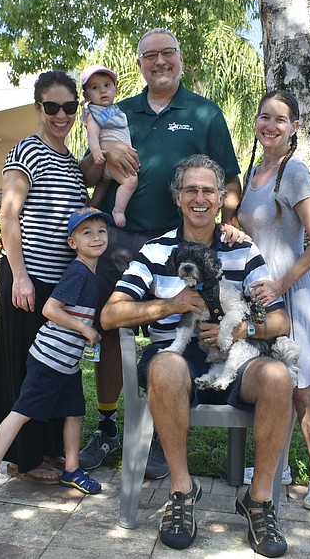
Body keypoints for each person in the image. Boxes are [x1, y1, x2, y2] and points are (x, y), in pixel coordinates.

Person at [101, 155, 293, 557]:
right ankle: (182, 493)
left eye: (208, 190)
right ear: (177, 196)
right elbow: (111, 313)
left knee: (277, 377)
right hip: (176, 355)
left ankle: (258, 502)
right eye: (191, 189)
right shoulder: (155, 251)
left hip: (236, 356)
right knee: (167, 367)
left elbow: (280, 322)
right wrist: (169, 305)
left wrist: (241, 330)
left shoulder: (242, 250)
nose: (199, 198)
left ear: (222, 198)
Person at [78, 28, 243, 478]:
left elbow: (228, 182)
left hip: (184, 243)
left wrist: (228, 221)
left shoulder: (205, 112)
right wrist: (103, 158)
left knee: (179, 328)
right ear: (139, 65)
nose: (160, 62)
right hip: (124, 238)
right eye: (150, 56)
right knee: (113, 328)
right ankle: (110, 424)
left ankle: (156, 433)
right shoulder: (118, 109)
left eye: (167, 53)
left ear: (180, 58)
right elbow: (89, 171)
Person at [0, 208, 112, 511]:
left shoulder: (90, 272)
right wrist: (85, 328)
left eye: (101, 231)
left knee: (74, 411)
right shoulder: (77, 272)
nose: (96, 237)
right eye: (87, 233)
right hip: (49, 359)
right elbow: (50, 310)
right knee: (22, 412)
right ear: (72, 242)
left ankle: (72, 468)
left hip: (67, 362)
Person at [233, 90, 310, 511]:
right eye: (264, 117)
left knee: (302, 387)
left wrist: (281, 284)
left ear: (295, 127)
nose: (269, 125)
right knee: (271, 383)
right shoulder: (254, 171)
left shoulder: (294, 173)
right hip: (259, 299)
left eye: (280, 119)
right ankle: (280, 467)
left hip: (291, 297)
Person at [0, 71, 89, 484]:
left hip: (57, 285)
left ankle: (46, 451)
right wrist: (20, 277)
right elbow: (8, 215)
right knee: (24, 370)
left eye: (69, 107)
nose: (61, 115)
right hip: (27, 279)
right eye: (52, 107)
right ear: (38, 108)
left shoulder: (69, 159)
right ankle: (22, 458)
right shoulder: (27, 151)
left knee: (51, 367)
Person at [80, 64, 137, 228]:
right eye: (95, 87)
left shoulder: (115, 110)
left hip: (113, 163)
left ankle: (91, 207)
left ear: (115, 89)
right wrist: (97, 150)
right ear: (86, 94)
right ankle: (118, 211)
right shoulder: (94, 114)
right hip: (110, 160)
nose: (102, 90)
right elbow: (92, 135)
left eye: (107, 85)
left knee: (103, 184)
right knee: (130, 181)